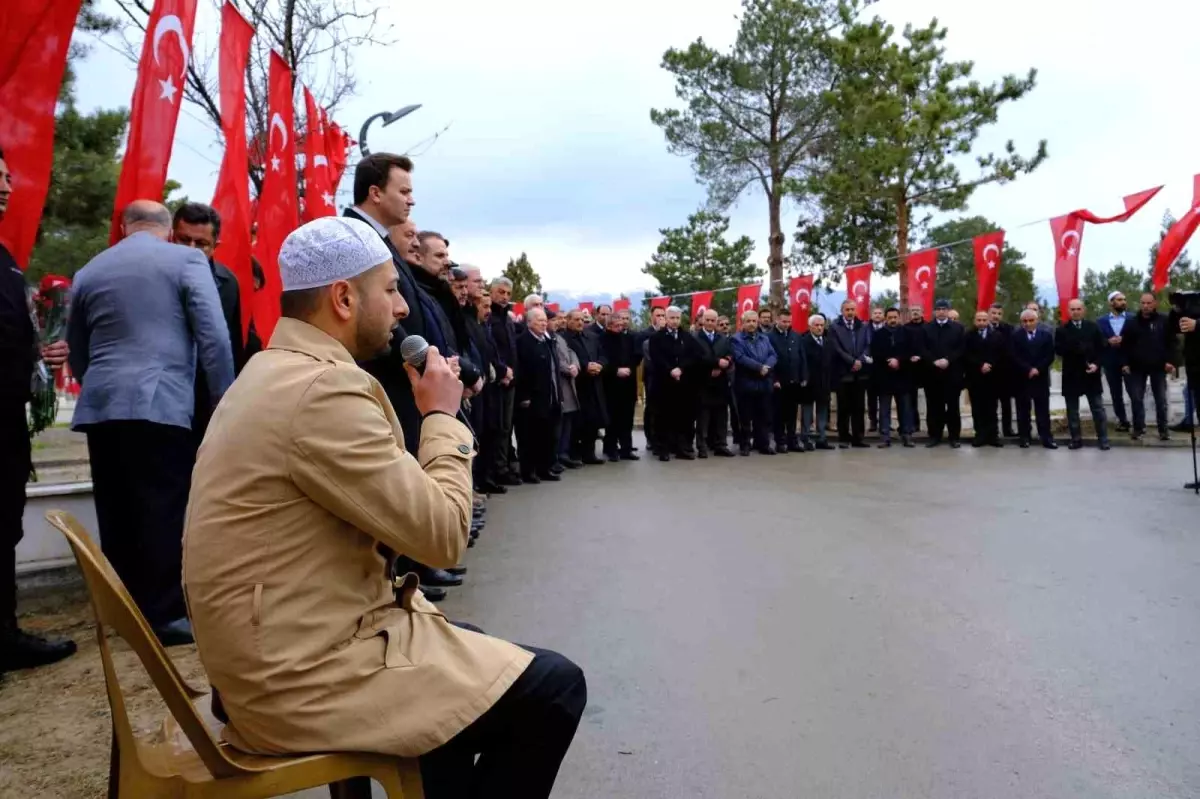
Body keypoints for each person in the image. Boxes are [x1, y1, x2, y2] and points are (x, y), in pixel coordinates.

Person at [183, 217, 585, 796]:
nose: (402, 308)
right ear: (344, 298)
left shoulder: (274, 371)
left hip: (276, 651)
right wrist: (443, 417)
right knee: (555, 687)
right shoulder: (323, 391)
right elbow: (443, 536)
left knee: (470, 662)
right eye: (391, 289)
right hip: (296, 678)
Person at [67, 200, 234, 645]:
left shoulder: (90, 270)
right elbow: (214, 335)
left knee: (117, 510)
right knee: (162, 507)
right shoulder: (187, 259)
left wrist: (97, 384)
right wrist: (223, 399)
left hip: (102, 404)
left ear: (124, 227)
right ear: (167, 229)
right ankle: (165, 616)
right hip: (160, 401)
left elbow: (76, 345)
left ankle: (127, 610)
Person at [0, 147, 77, 671]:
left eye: (7, 177)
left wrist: (40, 350)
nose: (7, 186)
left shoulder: (4, 255)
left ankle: (4, 634)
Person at [344, 154, 427, 454]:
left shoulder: (379, 239)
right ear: (375, 193)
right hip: (382, 378)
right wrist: (424, 361)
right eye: (404, 192)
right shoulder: (355, 237)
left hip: (400, 378)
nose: (411, 200)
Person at [171, 202, 263, 441]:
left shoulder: (228, 283)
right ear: (171, 237)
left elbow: (231, 344)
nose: (191, 249)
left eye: (201, 244)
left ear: (215, 246)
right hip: (164, 395)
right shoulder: (153, 275)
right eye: (184, 240)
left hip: (206, 399)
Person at [1121, 292, 1178, 441]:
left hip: (1158, 366)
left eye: (1148, 303)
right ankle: (1139, 428)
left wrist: (1171, 361)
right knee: (1137, 398)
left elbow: (1172, 343)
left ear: (1155, 304)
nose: (1145, 306)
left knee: (1160, 399)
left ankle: (1163, 430)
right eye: (1143, 303)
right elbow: (1125, 345)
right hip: (1137, 367)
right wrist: (1125, 363)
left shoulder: (1164, 321)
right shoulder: (1131, 323)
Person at [514, 308, 562, 483]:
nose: (543, 323)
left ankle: (545, 468)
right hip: (532, 398)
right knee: (530, 437)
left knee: (547, 436)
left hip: (550, 396)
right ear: (529, 322)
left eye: (544, 320)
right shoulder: (523, 342)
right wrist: (524, 395)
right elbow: (521, 371)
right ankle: (529, 470)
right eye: (539, 320)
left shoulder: (547, 341)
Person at [1056, 299, 1111, 451]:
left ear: (1083, 310)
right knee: (1072, 410)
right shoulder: (1062, 330)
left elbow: (1102, 349)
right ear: (1068, 311)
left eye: (1078, 309)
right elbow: (1059, 350)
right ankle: (1075, 439)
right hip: (1072, 374)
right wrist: (1074, 346)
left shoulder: (1093, 327)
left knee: (1098, 409)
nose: (1076, 312)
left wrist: (1096, 364)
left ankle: (1103, 439)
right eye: (1072, 309)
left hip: (1091, 374)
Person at [648, 306, 699, 460]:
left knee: (682, 417)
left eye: (678, 318)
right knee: (663, 417)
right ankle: (663, 449)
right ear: (666, 318)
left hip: (683, 384)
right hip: (664, 383)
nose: (675, 321)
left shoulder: (687, 336)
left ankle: (681, 448)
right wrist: (670, 370)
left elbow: (695, 355)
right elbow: (656, 357)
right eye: (672, 318)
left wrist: (681, 368)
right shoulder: (657, 337)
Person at [486, 277, 521, 485]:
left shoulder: (507, 319)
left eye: (508, 294)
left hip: (510, 381)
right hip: (495, 381)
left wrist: (513, 374)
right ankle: (496, 470)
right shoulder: (489, 317)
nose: (504, 297)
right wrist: (502, 373)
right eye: (501, 292)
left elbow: (512, 350)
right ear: (491, 292)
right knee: (496, 428)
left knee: (506, 428)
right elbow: (492, 350)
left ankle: (504, 466)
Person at [562, 308, 608, 464]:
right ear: (568, 320)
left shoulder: (592, 337)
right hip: (576, 385)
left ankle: (590, 453)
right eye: (576, 319)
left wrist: (600, 365)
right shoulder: (564, 338)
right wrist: (585, 366)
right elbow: (567, 359)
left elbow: (603, 354)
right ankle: (574, 453)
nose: (580, 322)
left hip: (594, 384)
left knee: (593, 420)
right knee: (577, 421)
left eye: (582, 319)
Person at [730, 309, 777, 455]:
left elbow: (773, 354)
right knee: (745, 416)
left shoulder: (764, 338)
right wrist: (759, 367)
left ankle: (762, 443)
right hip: (746, 383)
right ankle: (745, 444)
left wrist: (767, 367)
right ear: (742, 323)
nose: (752, 324)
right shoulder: (736, 339)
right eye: (748, 321)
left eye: (754, 321)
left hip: (763, 383)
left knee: (763, 416)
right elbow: (740, 357)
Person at [1009, 308, 1058, 449]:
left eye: (1031, 320)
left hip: (1040, 378)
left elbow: (1049, 355)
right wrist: (1028, 369)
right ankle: (1024, 437)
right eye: (1024, 321)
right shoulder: (1016, 336)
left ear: (1037, 320)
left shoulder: (1046, 336)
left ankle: (1046, 438)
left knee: (1042, 410)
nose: (1028, 323)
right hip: (1022, 378)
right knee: (1023, 410)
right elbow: (1014, 356)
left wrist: (1038, 369)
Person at [921, 298, 967, 448]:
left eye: (944, 309)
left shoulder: (958, 328)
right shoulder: (926, 328)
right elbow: (922, 348)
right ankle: (935, 436)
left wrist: (948, 360)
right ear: (934, 311)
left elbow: (961, 349)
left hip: (951, 374)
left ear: (948, 310)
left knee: (953, 407)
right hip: (932, 374)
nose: (941, 311)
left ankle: (954, 437)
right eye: (938, 309)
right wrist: (934, 361)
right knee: (934, 407)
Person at [692, 309, 735, 457]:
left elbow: (730, 355)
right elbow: (697, 358)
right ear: (703, 320)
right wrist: (716, 363)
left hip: (721, 382)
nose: (710, 323)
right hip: (703, 382)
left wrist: (726, 362)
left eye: (713, 320)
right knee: (703, 417)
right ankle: (702, 446)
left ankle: (720, 445)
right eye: (708, 320)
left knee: (721, 416)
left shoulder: (723, 338)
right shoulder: (695, 337)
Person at [869, 307, 915, 448]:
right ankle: (885, 436)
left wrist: (899, 360)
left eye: (895, 317)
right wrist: (888, 360)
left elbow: (911, 352)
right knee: (884, 409)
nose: (893, 320)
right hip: (885, 377)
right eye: (890, 318)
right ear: (885, 318)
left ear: (899, 317)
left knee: (905, 408)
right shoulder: (879, 334)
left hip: (903, 376)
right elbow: (875, 353)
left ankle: (906, 435)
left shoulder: (907, 333)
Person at [829, 299, 870, 448]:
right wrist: (851, 361)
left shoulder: (863, 326)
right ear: (842, 311)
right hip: (843, 372)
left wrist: (859, 361)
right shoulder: (834, 327)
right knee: (844, 407)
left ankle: (858, 438)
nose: (850, 312)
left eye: (853, 309)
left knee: (859, 407)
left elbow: (867, 345)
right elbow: (837, 348)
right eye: (847, 310)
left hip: (860, 373)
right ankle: (844, 437)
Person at [1168, 296, 1199, 488]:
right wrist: (1177, 309)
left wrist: (1198, 324)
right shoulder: (1193, 303)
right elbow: (1174, 328)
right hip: (1196, 370)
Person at [767, 308, 808, 453]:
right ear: (777, 320)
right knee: (779, 414)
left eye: (789, 322)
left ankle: (793, 441)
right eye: (784, 321)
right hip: (779, 382)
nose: (786, 324)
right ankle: (780, 441)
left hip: (794, 381)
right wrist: (774, 379)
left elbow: (801, 357)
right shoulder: (769, 337)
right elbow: (769, 359)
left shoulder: (795, 336)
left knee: (792, 413)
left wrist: (803, 376)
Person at [964, 309, 1006, 448]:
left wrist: (990, 364)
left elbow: (1001, 354)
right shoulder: (968, 336)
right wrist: (980, 365)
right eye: (979, 320)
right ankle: (980, 435)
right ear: (975, 321)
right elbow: (966, 354)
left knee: (991, 408)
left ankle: (993, 436)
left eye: (984, 320)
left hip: (992, 377)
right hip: (975, 377)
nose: (981, 323)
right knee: (977, 408)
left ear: (988, 321)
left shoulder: (997, 335)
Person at [601, 313, 639, 461]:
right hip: (611, 385)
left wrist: (630, 367)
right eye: (616, 326)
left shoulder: (628, 338)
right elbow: (603, 360)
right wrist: (616, 370)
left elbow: (635, 356)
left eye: (621, 325)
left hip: (628, 383)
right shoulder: (602, 340)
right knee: (612, 419)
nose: (619, 328)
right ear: (608, 326)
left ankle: (626, 449)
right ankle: (611, 449)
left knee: (627, 419)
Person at [1097, 291, 1135, 433]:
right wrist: (1108, 341)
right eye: (1119, 300)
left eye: (1124, 299)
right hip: (1110, 360)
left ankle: (1138, 421)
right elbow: (1098, 340)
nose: (1123, 302)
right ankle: (1123, 420)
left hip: (1129, 361)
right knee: (1116, 393)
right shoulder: (1101, 321)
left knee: (1134, 392)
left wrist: (1124, 340)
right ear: (1111, 303)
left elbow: (1137, 337)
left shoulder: (1132, 318)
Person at [799, 314, 834, 451]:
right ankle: (806, 437)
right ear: (810, 326)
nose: (820, 328)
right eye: (816, 325)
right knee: (807, 411)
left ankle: (822, 438)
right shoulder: (804, 341)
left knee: (822, 410)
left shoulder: (828, 341)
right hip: (809, 382)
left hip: (824, 382)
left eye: (821, 325)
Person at [553, 310, 583, 470]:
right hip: (559, 384)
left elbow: (571, 353)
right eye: (559, 318)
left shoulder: (560, 337)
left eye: (563, 319)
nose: (561, 322)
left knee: (568, 422)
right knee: (559, 423)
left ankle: (564, 453)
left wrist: (575, 365)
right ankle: (557, 455)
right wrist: (566, 368)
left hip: (569, 384)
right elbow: (555, 359)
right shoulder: (549, 337)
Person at [638, 304, 667, 452]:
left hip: (667, 376)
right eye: (658, 315)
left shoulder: (669, 332)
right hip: (652, 376)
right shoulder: (646, 333)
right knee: (652, 408)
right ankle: (651, 438)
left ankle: (664, 438)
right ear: (652, 317)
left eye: (663, 315)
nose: (661, 318)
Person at [988, 303, 1017, 438]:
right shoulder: (982, 328)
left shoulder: (1009, 329)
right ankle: (992, 431)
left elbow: (1011, 350)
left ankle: (1007, 429)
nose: (996, 316)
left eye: (999, 314)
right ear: (989, 313)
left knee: (1006, 404)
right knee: (990, 405)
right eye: (993, 313)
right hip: (988, 373)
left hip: (1005, 373)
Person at [906, 305, 927, 432]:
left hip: (926, 366)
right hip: (910, 367)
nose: (915, 313)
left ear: (922, 312)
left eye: (917, 310)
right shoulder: (905, 328)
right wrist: (910, 356)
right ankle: (914, 424)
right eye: (913, 311)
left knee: (931, 398)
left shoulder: (928, 327)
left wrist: (921, 356)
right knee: (910, 398)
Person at [866, 306, 886, 431]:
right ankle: (873, 421)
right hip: (869, 366)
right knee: (871, 396)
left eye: (880, 313)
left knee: (885, 396)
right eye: (875, 313)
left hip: (884, 367)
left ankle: (885, 422)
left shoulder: (888, 328)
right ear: (871, 315)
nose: (877, 315)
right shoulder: (865, 328)